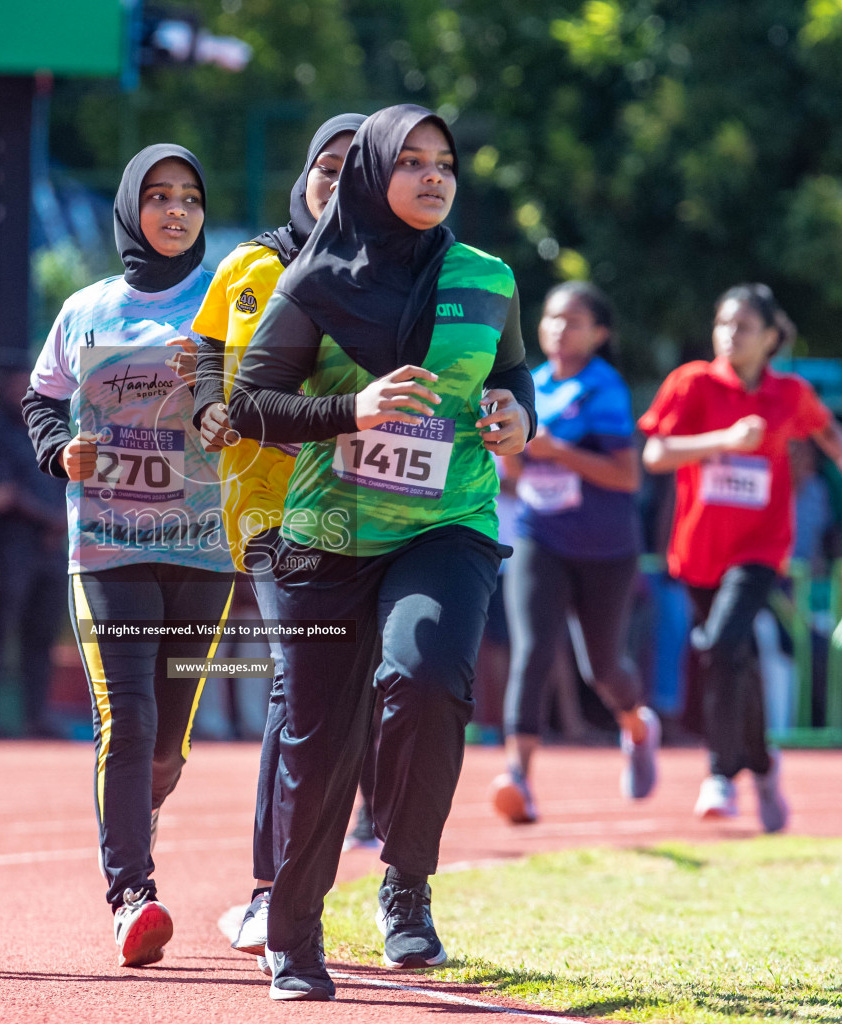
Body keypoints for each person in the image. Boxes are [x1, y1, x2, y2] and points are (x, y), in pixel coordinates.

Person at [230, 105, 535, 1000]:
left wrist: (519, 415)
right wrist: (351, 412)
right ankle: (294, 935)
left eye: (445, 162)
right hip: (328, 534)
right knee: (318, 741)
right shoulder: (313, 284)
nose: (435, 176)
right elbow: (251, 406)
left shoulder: (488, 278)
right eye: (411, 162)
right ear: (369, 176)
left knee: (426, 672)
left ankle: (405, 880)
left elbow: (511, 376)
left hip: (449, 521)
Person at [21, 144, 235, 969]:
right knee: (129, 716)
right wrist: (58, 453)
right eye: (158, 196)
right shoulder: (86, 309)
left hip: (205, 544)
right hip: (107, 543)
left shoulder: (230, 304)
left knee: (169, 744)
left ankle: (137, 814)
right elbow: (42, 398)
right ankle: (131, 896)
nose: (176, 210)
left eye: (189, 196)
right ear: (128, 209)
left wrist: (216, 382)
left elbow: (266, 399)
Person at [184, 111, 366, 961]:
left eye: (351, 167)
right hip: (267, 509)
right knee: (297, 683)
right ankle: (270, 893)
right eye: (324, 166)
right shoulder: (251, 264)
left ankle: (383, 872)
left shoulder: (398, 276)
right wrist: (211, 406)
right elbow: (205, 359)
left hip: (371, 512)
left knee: (351, 691)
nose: (333, 180)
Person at [638, 283, 842, 832]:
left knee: (722, 642)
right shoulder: (691, 382)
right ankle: (764, 769)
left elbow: (826, 427)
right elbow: (654, 455)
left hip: (762, 549)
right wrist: (722, 440)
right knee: (729, 656)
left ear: (770, 337)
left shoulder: (788, 392)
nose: (728, 334)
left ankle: (720, 774)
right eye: (722, 323)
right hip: (698, 551)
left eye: (742, 326)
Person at [491, 281, 657, 824]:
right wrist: (508, 452)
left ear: (599, 333)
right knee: (533, 648)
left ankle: (636, 726)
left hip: (606, 548)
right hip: (540, 535)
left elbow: (626, 474)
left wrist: (556, 449)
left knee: (602, 667)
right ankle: (519, 779)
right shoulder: (530, 385)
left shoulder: (604, 387)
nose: (560, 329)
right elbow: (515, 475)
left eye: (575, 320)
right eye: (554, 318)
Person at [0, 352, 70, 737]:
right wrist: (49, 517)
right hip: (10, 550)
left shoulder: (50, 429)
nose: (23, 388)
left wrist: (59, 522)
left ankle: (37, 716)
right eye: (17, 382)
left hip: (50, 549)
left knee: (41, 636)